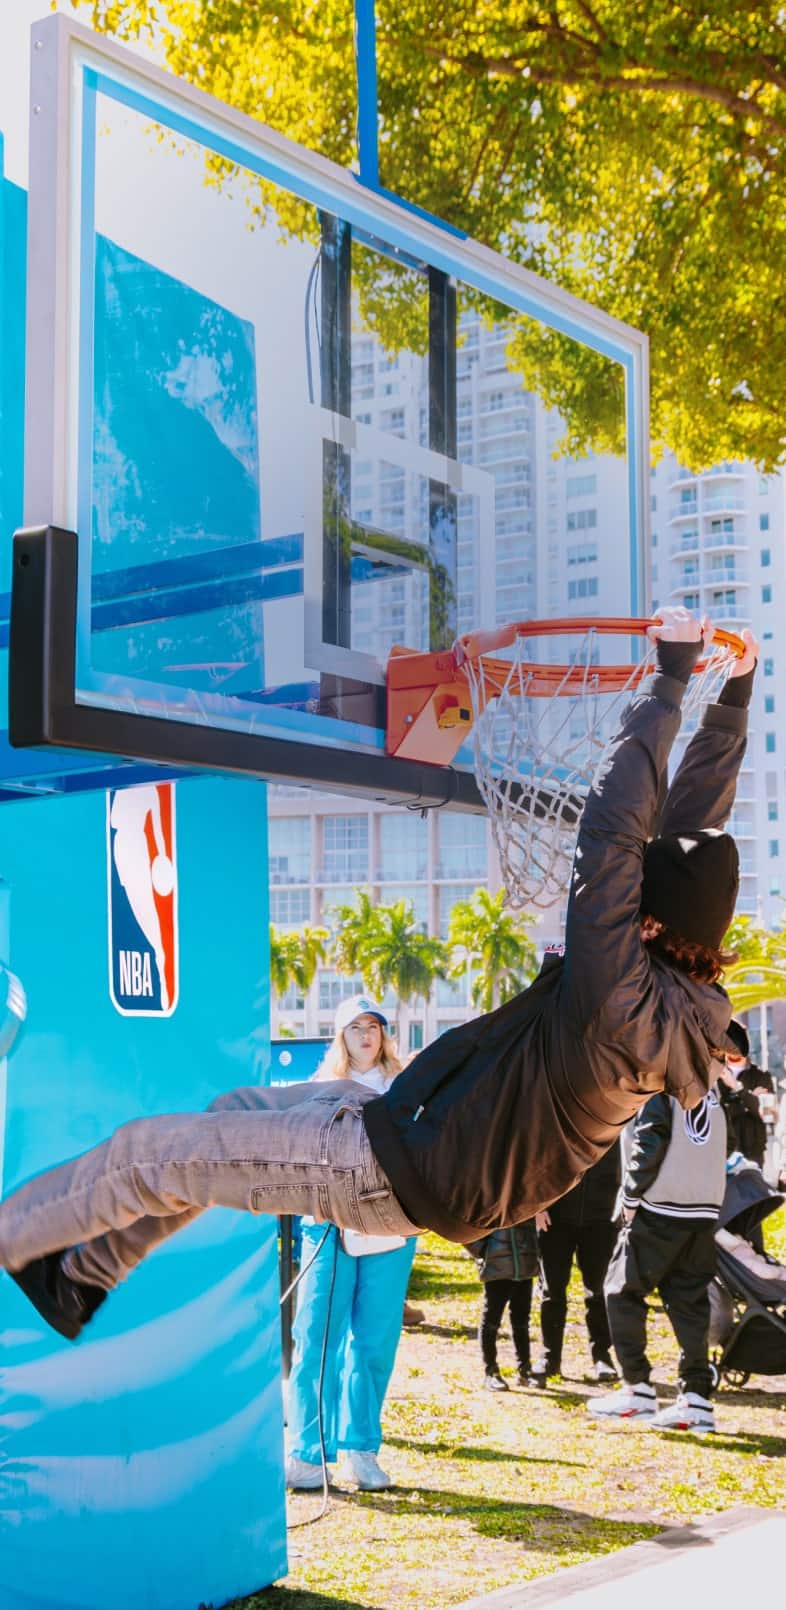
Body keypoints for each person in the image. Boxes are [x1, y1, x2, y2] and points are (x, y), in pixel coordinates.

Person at [0, 608, 757, 1345]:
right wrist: (729, 698)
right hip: (393, 1129)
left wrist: (666, 683)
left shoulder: (621, 1004)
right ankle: (81, 1279)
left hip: (380, 1171)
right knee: (227, 1111)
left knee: (148, 1155)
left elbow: (613, 836)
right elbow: (695, 829)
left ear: (651, 922)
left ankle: (11, 1240)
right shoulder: (671, 990)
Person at [285, 996, 415, 1493]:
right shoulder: (318, 1090)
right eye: (355, 1027)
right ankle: (306, 1454)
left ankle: (361, 1450)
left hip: (388, 1228)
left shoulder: (403, 1088)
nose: (366, 1035)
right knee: (317, 1339)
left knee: (374, 1342)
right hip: (329, 1227)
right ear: (340, 1036)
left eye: (374, 1026)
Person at [587, 1085, 727, 1434]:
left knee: (621, 1291)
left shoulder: (661, 1087)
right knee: (689, 1304)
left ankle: (637, 1388)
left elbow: (649, 1140)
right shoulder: (713, 1090)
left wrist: (631, 1196)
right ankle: (696, 1398)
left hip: (659, 1206)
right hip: (703, 1208)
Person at [532, 1143, 620, 1385]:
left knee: (598, 1291)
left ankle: (602, 1356)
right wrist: (539, 1205)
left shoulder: (620, 1117)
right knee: (552, 1291)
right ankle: (550, 1356)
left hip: (603, 1216)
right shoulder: (564, 1113)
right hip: (556, 1217)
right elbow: (540, 1156)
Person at [466, 1223, 539, 1391]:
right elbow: (468, 1229)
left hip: (524, 1262)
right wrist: (485, 1251)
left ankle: (525, 1368)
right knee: (491, 1321)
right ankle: (491, 1371)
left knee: (521, 1320)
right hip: (496, 1266)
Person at [717, 1019, 774, 1167]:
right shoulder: (717, 1075)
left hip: (753, 1154)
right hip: (723, 1152)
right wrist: (751, 1097)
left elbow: (766, 1114)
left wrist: (737, 1088)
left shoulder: (761, 1076)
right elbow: (719, 1111)